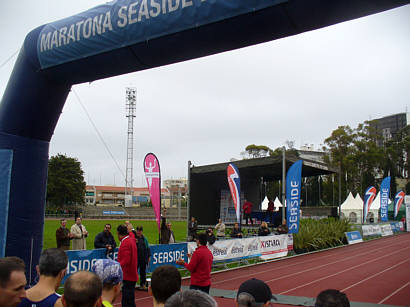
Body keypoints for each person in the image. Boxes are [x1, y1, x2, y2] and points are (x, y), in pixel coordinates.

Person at [117, 224, 138, 307]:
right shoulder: (131, 239)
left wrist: (116, 268)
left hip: (128, 275)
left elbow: (125, 260)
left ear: (118, 233)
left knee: (127, 301)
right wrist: (131, 228)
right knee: (129, 299)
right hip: (132, 274)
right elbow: (132, 234)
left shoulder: (125, 243)